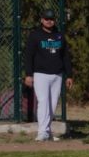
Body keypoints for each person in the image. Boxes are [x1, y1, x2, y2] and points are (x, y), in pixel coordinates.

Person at [23, 8, 73, 141]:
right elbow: (28, 56)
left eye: (51, 19)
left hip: (57, 74)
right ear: (41, 20)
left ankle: (47, 132)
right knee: (43, 101)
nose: (49, 21)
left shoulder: (59, 35)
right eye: (46, 19)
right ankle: (42, 132)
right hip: (40, 74)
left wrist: (69, 75)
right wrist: (28, 74)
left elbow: (65, 56)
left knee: (52, 104)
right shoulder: (35, 35)